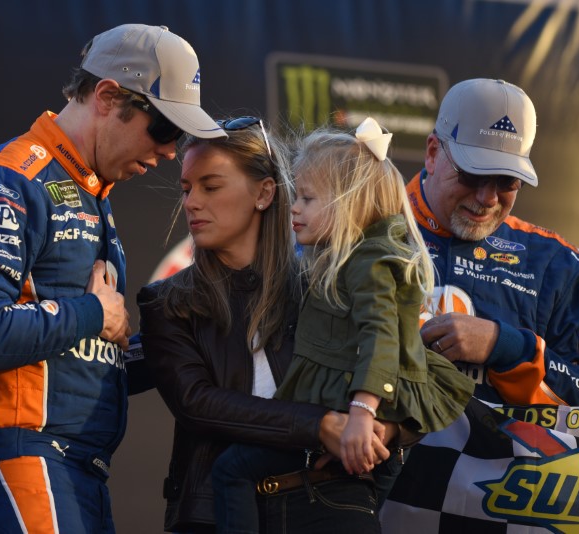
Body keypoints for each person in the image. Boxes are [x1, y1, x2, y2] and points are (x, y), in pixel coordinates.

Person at [0, 24, 226, 533]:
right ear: (109, 97)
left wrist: (177, 353)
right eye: (165, 130)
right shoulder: (7, 181)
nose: (171, 152)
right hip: (17, 460)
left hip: (78, 471)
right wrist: (93, 313)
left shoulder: (90, 192)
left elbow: (72, 360)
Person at [209, 119, 475, 534]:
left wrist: (361, 413)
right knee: (375, 479)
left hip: (367, 400)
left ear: (350, 203)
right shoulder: (351, 259)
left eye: (309, 199)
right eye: (296, 196)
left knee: (230, 468)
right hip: (366, 407)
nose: (294, 208)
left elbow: (381, 334)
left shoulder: (369, 261)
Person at [137, 116, 397, 534]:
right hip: (214, 512)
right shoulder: (166, 302)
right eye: (186, 189)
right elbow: (197, 403)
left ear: (264, 193)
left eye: (211, 186)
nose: (191, 202)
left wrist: (383, 425)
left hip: (329, 500)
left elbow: (390, 369)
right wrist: (318, 426)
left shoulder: (325, 287)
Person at [412, 78, 579, 406]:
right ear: (432, 153)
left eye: (507, 181)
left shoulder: (556, 265)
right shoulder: (363, 227)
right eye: (471, 175)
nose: (487, 198)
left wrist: (505, 346)